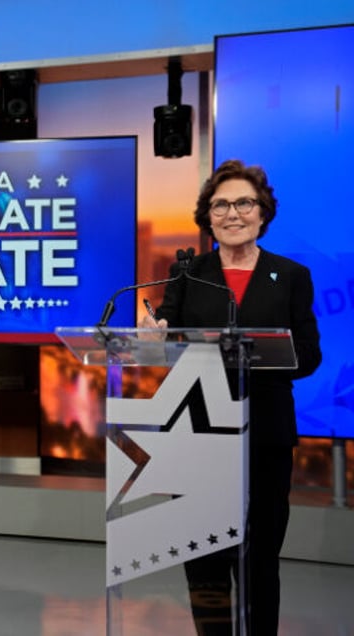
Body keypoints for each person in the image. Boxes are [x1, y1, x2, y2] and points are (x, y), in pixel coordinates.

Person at [139, 159, 321, 635]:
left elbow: (310, 355)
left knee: (260, 556)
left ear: (263, 212)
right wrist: (156, 337)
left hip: (265, 431)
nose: (232, 213)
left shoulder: (292, 274)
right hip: (198, 427)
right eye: (221, 204)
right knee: (204, 556)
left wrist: (259, 355)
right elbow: (168, 339)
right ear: (208, 215)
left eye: (244, 202)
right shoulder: (186, 273)